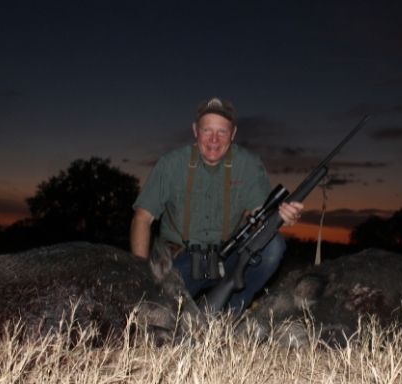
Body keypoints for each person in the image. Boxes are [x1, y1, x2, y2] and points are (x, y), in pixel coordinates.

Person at [130, 97, 304, 313]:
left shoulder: (248, 164)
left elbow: (259, 215)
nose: (214, 139)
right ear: (195, 130)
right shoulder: (171, 164)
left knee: (273, 246)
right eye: (207, 130)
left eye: (222, 132)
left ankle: (227, 316)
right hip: (181, 261)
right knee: (162, 312)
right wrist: (139, 276)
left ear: (233, 133)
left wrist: (286, 217)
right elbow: (142, 218)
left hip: (227, 256)